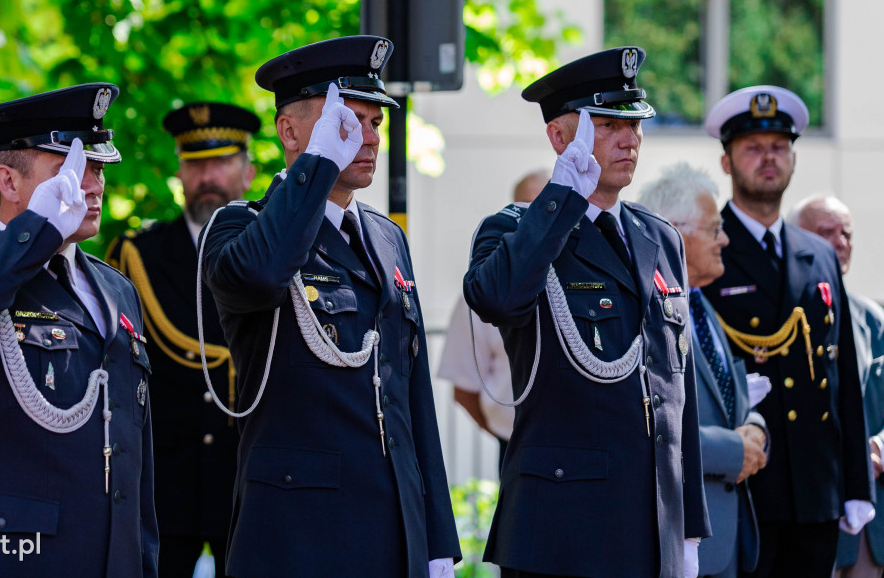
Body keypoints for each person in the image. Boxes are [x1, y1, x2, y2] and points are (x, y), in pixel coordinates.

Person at [200, 35, 461, 578]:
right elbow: (264, 275)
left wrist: (436, 537)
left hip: (394, 530)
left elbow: (412, 400)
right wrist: (316, 165)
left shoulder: (387, 238)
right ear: (290, 131)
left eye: (374, 122)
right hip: (300, 536)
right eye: (343, 121)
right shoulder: (239, 226)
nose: (365, 138)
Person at [464, 46, 710, 578]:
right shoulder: (516, 230)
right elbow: (496, 297)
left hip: (653, 530)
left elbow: (676, 391)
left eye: (634, 123)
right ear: (559, 138)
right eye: (607, 123)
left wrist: (688, 528)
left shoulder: (659, 238)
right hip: (562, 532)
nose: (629, 138)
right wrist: (561, 195)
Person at [0, 83, 158, 578]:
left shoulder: (116, 288)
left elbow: (133, 456)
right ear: (9, 182)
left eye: (97, 167)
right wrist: (33, 232)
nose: (93, 184)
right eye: (69, 170)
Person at [702, 86, 873, 578]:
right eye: (753, 148)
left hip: (815, 491)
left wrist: (855, 484)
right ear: (727, 162)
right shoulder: (707, 248)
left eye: (779, 147)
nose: (768, 158)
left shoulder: (816, 252)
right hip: (744, 488)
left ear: (794, 158)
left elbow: (841, 372)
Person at [107, 102, 258, 578]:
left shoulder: (274, 249)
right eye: (195, 164)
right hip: (165, 485)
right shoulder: (137, 255)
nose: (207, 175)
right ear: (179, 171)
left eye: (221, 162)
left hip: (250, 480)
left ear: (249, 172)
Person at [639, 162, 770, 578]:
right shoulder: (644, 310)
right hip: (678, 541)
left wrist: (756, 428)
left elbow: (733, 394)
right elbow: (647, 424)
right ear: (675, 232)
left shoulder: (701, 304)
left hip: (724, 541)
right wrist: (734, 449)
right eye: (715, 229)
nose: (725, 239)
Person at [789, 194, 884, 578]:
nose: (840, 242)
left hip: (869, 526)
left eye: (847, 233)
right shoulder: (781, 315)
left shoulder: (874, 319)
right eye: (826, 232)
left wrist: (879, 446)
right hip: (806, 513)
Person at [438, 169, 549, 471]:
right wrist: (505, 436)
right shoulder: (482, 292)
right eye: (526, 210)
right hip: (516, 446)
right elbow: (464, 391)